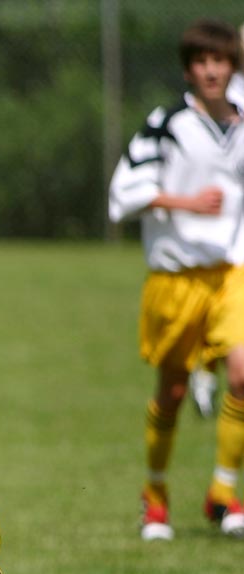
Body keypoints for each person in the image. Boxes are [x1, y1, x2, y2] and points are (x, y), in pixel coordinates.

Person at [109, 17, 244, 541]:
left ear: (232, 66)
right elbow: (123, 194)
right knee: (172, 392)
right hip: (174, 278)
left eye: (220, 61)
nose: (211, 71)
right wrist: (186, 203)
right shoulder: (166, 124)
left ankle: (224, 493)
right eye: (202, 62)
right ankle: (156, 494)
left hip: (230, 274)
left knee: (240, 375)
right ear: (189, 69)